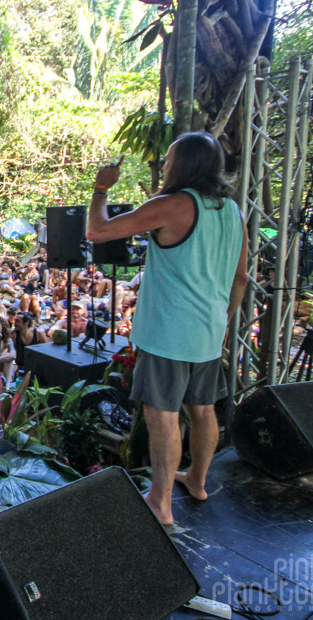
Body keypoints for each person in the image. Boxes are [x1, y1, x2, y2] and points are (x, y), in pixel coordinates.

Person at [85, 132, 249, 528]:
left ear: (185, 164)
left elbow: (98, 231)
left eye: (171, 157)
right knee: (203, 409)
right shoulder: (232, 211)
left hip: (169, 332)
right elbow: (241, 278)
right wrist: (223, 320)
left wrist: (101, 188)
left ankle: (160, 502)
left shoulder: (173, 205)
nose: (166, 165)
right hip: (209, 330)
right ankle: (197, 480)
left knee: (163, 416)